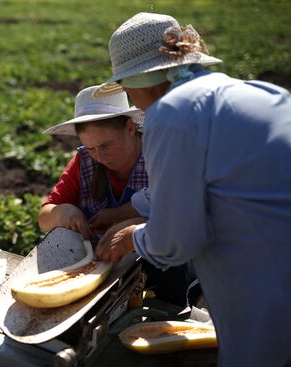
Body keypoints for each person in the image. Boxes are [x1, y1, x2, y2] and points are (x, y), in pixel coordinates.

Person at [94, 13, 291, 366]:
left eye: (126, 86)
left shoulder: (171, 112)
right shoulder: (260, 93)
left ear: (142, 78)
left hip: (266, 291)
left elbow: (179, 240)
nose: (129, 96)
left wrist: (133, 237)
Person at [39, 85, 191, 307]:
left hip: (156, 278)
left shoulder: (160, 158)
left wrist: (138, 225)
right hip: (94, 275)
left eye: (106, 145)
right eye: (90, 148)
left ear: (130, 128)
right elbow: (44, 218)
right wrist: (64, 212)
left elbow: (183, 224)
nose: (99, 156)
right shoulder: (84, 162)